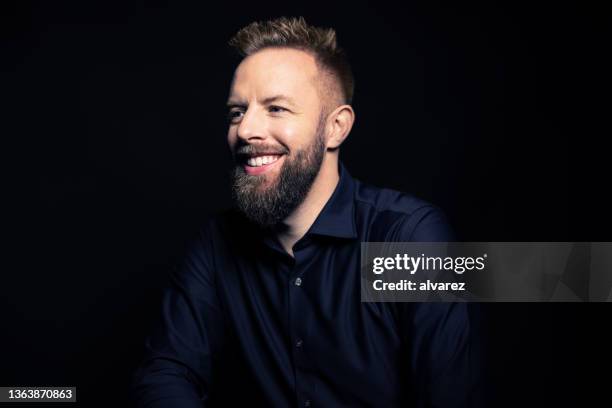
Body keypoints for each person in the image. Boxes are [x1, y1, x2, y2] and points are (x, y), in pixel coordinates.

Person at [131, 16, 481, 408]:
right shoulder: (218, 243)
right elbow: (167, 373)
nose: (245, 130)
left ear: (336, 128)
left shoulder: (409, 238)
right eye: (236, 112)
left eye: (276, 108)